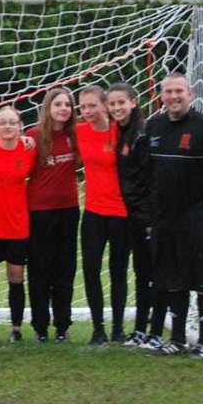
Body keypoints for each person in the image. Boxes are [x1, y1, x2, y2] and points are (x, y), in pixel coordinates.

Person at [144, 72, 203, 359]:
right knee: (174, 280)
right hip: (166, 220)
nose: (174, 97)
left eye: (179, 91)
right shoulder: (154, 126)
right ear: (162, 96)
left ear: (190, 94)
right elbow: (148, 173)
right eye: (168, 92)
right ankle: (178, 339)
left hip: (198, 220)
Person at [0, 106, 37, 345]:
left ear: (20, 124)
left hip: (17, 224)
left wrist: (28, 138)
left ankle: (16, 328)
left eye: (13, 122)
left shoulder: (29, 148)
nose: (8, 126)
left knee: (16, 275)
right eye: (3, 122)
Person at [76, 85, 131, 346]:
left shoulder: (120, 131)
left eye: (92, 106)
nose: (87, 111)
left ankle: (118, 329)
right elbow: (46, 133)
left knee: (118, 271)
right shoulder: (79, 131)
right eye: (83, 107)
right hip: (93, 213)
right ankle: (98, 330)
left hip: (121, 213)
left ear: (105, 105)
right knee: (90, 270)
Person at [26, 88, 80, 344]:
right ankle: (40, 326)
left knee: (65, 270)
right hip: (39, 212)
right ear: (48, 107)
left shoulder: (76, 134)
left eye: (67, 104)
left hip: (68, 210)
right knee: (40, 270)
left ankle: (62, 325)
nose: (63, 109)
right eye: (58, 104)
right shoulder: (33, 136)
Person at [106, 82, 155, 347]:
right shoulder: (121, 132)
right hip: (125, 214)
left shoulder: (142, 134)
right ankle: (137, 328)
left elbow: (148, 179)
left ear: (133, 102)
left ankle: (144, 329)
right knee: (129, 270)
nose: (116, 108)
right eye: (112, 103)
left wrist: (148, 219)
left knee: (145, 273)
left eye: (121, 102)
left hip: (142, 216)